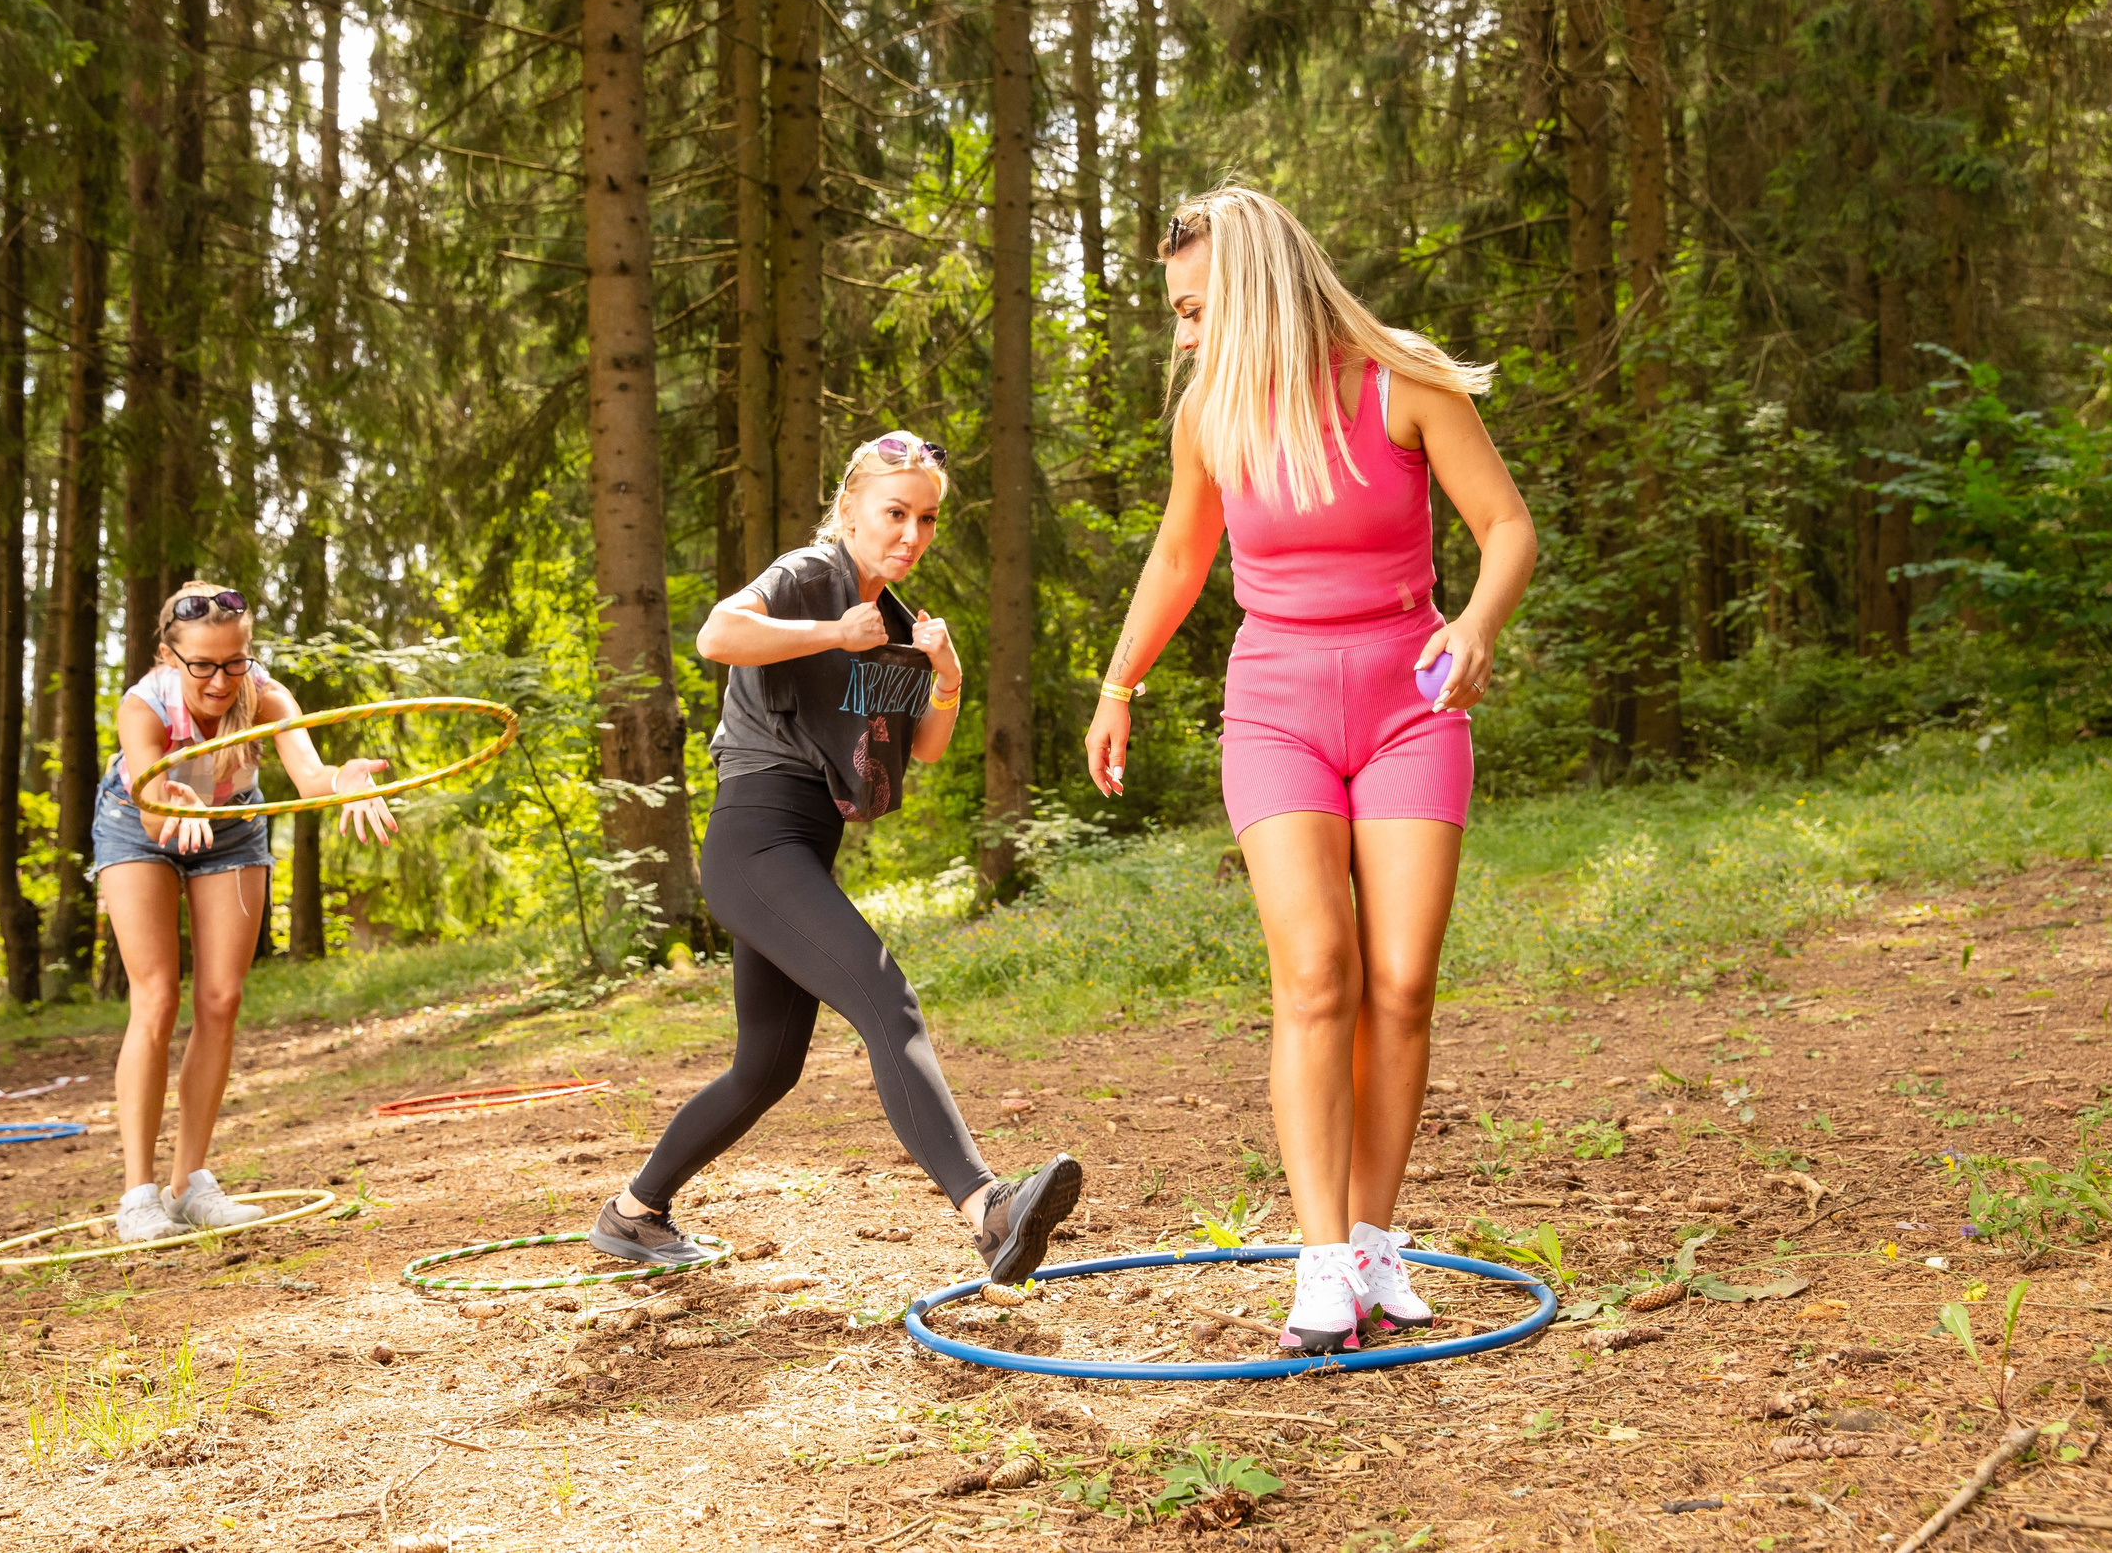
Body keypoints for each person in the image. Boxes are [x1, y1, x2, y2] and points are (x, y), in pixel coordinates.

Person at [1086, 188, 1536, 1353]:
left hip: (1410, 705)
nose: (1182, 336)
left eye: (1193, 310)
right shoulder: (1210, 416)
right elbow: (1181, 555)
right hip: (1276, 709)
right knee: (1316, 971)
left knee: (1400, 983)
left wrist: (1478, 621)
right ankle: (1321, 1260)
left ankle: (1379, 1246)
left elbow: (1508, 529)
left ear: (1249, 288)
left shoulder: (1405, 384)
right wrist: (1117, 684)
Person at [588, 434, 1084, 1286]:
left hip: (803, 846)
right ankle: (987, 1208)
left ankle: (634, 1212)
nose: (911, 532)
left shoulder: (896, 620)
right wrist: (830, 630)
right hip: (755, 836)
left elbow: (923, 748)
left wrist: (948, 675)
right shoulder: (806, 573)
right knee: (885, 999)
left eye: (925, 518)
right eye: (894, 512)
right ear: (850, 505)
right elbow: (717, 633)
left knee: (767, 1064)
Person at [98, 580, 397, 1243]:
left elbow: (309, 776)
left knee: (222, 998)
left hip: (231, 829)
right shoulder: (143, 707)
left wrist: (342, 778)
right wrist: (171, 796)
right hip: (136, 827)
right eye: (203, 664)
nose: (220, 679)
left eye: (234, 662)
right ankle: (138, 1195)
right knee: (155, 998)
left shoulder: (264, 695)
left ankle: (189, 1184)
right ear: (169, 656)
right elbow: (152, 812)